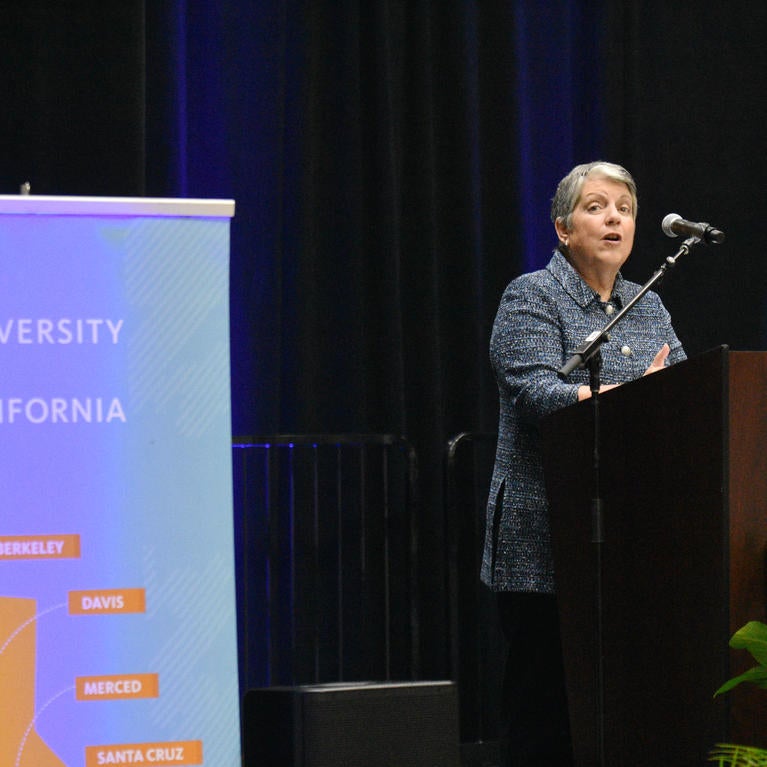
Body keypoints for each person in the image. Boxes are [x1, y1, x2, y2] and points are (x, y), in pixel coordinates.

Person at [480, 161, 686, 766]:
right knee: (544, 711)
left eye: (623, 208)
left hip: (627, 537)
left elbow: (681, 393)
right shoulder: (531, 296)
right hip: (544, 535)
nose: (613, 218)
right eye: (596, 206)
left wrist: (657, 398)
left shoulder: (647, 308)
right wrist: (629, 396)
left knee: (620, 706)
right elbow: (539, 392)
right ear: (563, 228)